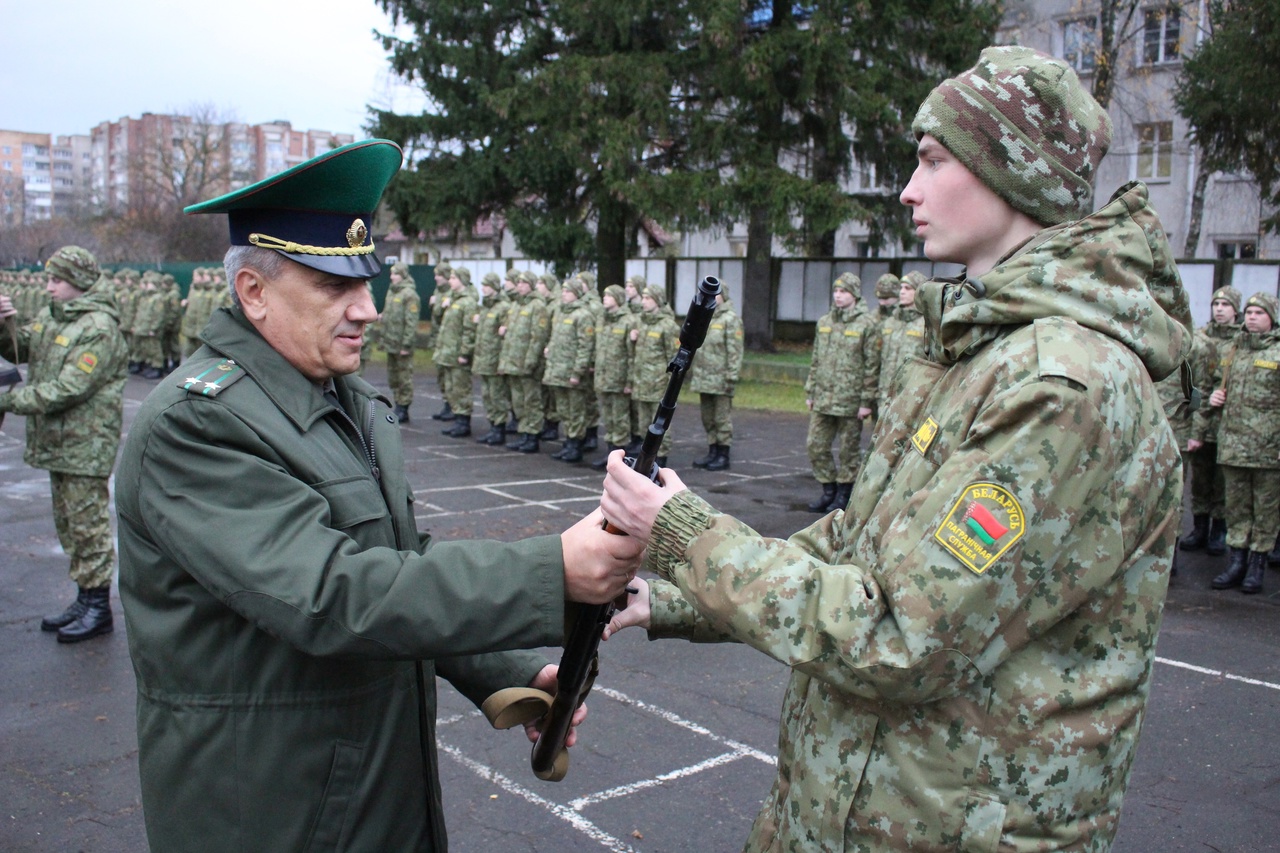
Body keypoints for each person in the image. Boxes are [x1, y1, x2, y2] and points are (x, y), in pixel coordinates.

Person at [599, 47, 1190, 851]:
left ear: (1008, 173)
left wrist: (681, 529)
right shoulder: (979, 350)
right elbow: (857, 546)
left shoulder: (1065, 386)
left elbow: (899, 637)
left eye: (934, 160)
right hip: (856, 815)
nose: (909, 189)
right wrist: (671, 594)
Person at [115, 140, 644, 852]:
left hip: (370, 793)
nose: (368, 309)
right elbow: (334, 594)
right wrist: (555, 569)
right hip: (272, 810)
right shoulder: (198, 421)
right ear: (254, 293)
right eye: (335, 287)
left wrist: (508, 673)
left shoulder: (344, 398)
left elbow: (396, 560)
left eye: (366, 280)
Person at [0, 246, 127, 643]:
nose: (49, 287)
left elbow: (68, 389)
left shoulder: (98, 327)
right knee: (69, 526)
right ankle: (84, 597)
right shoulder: (54, 317)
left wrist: (5, 399)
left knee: (88, 528)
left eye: (57, 280)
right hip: (59, 442)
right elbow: (20, 349)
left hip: (84, 444)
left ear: (79, 282)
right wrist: (3, 325)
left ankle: (98, 606)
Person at [1206, 292, 1280, 595]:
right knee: (1235, 509)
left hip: (1268, 448)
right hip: (1233, 445)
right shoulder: (1233, 351)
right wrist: (1214, 397)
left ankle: (1257, 565)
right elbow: (1215, 384)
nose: (1251, 317)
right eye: (1248, 312)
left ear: (1272, 318)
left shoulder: (1277, 353)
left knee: (1265, 510)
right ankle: (1236, 563)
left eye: (1259, 313)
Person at [803, 272, 880, 514]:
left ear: (855, 295)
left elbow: (872, 365)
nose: (838, 295)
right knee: (815, 445)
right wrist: (811, 391)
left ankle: (844, 495)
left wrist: (866, 401)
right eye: (836, 291)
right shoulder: (825, 322)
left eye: (844, 292)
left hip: (851, 400)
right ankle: (829, 490)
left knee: (849, 450)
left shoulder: (867, 324)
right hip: (824, 397)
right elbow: (816, 359)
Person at [1183, 286, 1241, 555]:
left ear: (1235, 310)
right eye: (1216, 304)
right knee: (1200, 478)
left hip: (1227, 422)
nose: (1219, 309)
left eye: (1225, 305)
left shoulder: (1241, 342)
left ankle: (1219, 530)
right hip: (1200, 417)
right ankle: (1199, 528)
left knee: (1221, 480)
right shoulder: (1200, 338)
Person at [689, 289, 744, 471]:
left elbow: (735, 351)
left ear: (724, 296)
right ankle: (712, 450)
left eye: (716, 294)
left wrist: (731, 376)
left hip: (721, 378)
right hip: (705, 377)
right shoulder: (706, 316)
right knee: (707, 417)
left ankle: (723, 454)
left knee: (722, 418)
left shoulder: (730, 319)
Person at [381, 261, 421, 422]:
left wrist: (406, 344)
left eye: (396, 274)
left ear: (403, 275)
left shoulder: (409, 295)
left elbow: (411, 322)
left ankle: (404, 407)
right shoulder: (392, 292)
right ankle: (397, 402)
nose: (392, 277)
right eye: (391, 273)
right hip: (391, 342)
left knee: (404, 376)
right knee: (393, 376)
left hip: (402, 344)